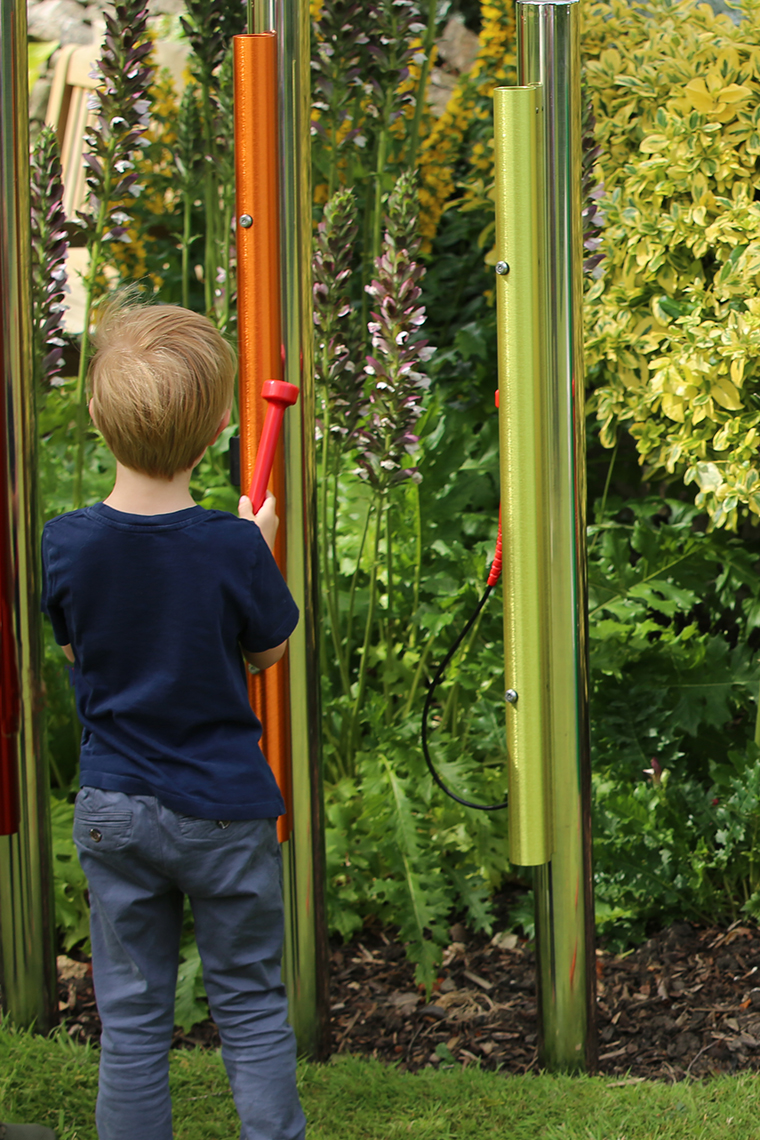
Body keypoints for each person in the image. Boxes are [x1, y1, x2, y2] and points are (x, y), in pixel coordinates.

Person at [40, 301, 306, 1140]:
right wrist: (258, 548)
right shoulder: (232, 545)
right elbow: (266, 655)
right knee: (251, 1006)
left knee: (132, 1018)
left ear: (94, 414)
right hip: (223, 812)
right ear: (224, 425)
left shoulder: (67, 543)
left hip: (114, 806)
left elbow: (85, 655)